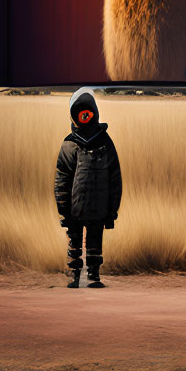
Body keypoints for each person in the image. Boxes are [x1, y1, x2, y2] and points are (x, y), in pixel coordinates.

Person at [54, 86, 122, 288]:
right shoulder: (105, 142)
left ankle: (75, 276)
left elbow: (61, 181)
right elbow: (115, 180)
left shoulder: (69, 144)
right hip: (99, 208)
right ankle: (93, 276)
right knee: (94, 241)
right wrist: (112, 210)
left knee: (75, 241)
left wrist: (63, 209)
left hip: (75, 208)